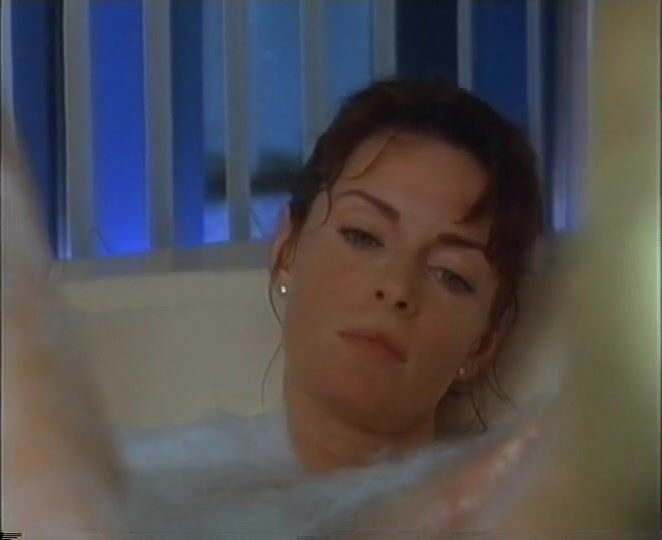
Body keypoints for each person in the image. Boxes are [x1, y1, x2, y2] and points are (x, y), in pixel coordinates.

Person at [2, 77, 562, 537]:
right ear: (287, 250)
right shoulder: (160, 472)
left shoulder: (510, 497)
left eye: (450, 275)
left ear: (484, 341)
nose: (396, 288)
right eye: (363, 236)